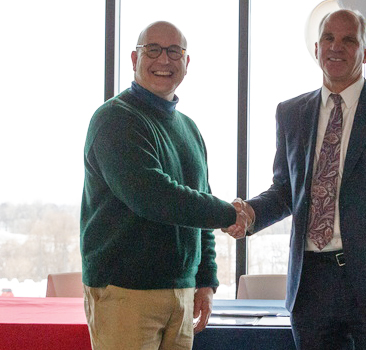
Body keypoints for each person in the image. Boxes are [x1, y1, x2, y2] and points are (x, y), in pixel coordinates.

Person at [224, 9, 366, 350]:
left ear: (365, 54)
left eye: (349, 40)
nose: (337, 47)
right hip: (311, 288)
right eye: (329, 39)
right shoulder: (290, 113)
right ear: (317, 49)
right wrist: (250, 213)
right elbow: (286, 191)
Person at [80, 21, 249, 350]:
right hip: (125, 293)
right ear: (134, 58)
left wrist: (205, 282)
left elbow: (199, 207)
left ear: (186, 63)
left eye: (175, 51)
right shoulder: (115, 119)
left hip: (181, 294)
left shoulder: (190, 129)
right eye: (152, 50)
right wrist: (228, 213)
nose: (164, 60)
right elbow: (153, 196)